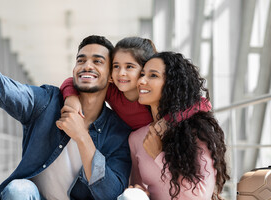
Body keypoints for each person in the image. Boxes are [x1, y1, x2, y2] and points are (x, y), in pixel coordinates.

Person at [0, 8, 131, 200]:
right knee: (18, 190)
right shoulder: (47, 101)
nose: (87, 65)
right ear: (74, 69)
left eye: (98, 61)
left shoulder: (117, 131)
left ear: (110, 76)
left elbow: (109, 196)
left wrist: (82, 137)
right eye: (81, 60)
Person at [116, 52, 230, 200]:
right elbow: (137, 189)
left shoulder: (196, 131)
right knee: (129, 198)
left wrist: (159, 156)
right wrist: (137, 190)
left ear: (171, 84)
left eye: (153, 75)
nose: (142, 81)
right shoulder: (136, 139)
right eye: (142, 74)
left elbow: (200, 195)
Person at [61, 37, 211, 131]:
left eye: (130, 67)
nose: (121, 73)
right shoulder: (112, 90)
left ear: (144, 69)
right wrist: (71, 99)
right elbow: (71, 81)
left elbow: (204, 104)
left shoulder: (152, 96)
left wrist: (167, 121)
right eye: (116, 66)